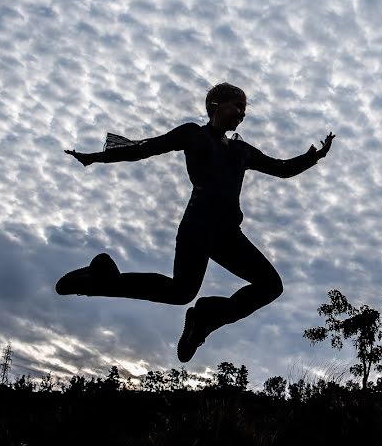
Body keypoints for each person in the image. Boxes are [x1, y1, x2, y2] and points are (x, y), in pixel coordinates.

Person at [57, 83, 335, 362]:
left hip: (227, 233)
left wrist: (316, 156)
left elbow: (282, 169)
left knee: (271, 285)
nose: (242, 114)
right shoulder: (193, 134)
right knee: (180, 292)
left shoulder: (243, 151)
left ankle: (205, 318)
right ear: (216, 104)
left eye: (245, 110)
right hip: (198, 224)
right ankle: (101, 279)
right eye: (238, 106)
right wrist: (96, 157)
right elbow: (145, 149)